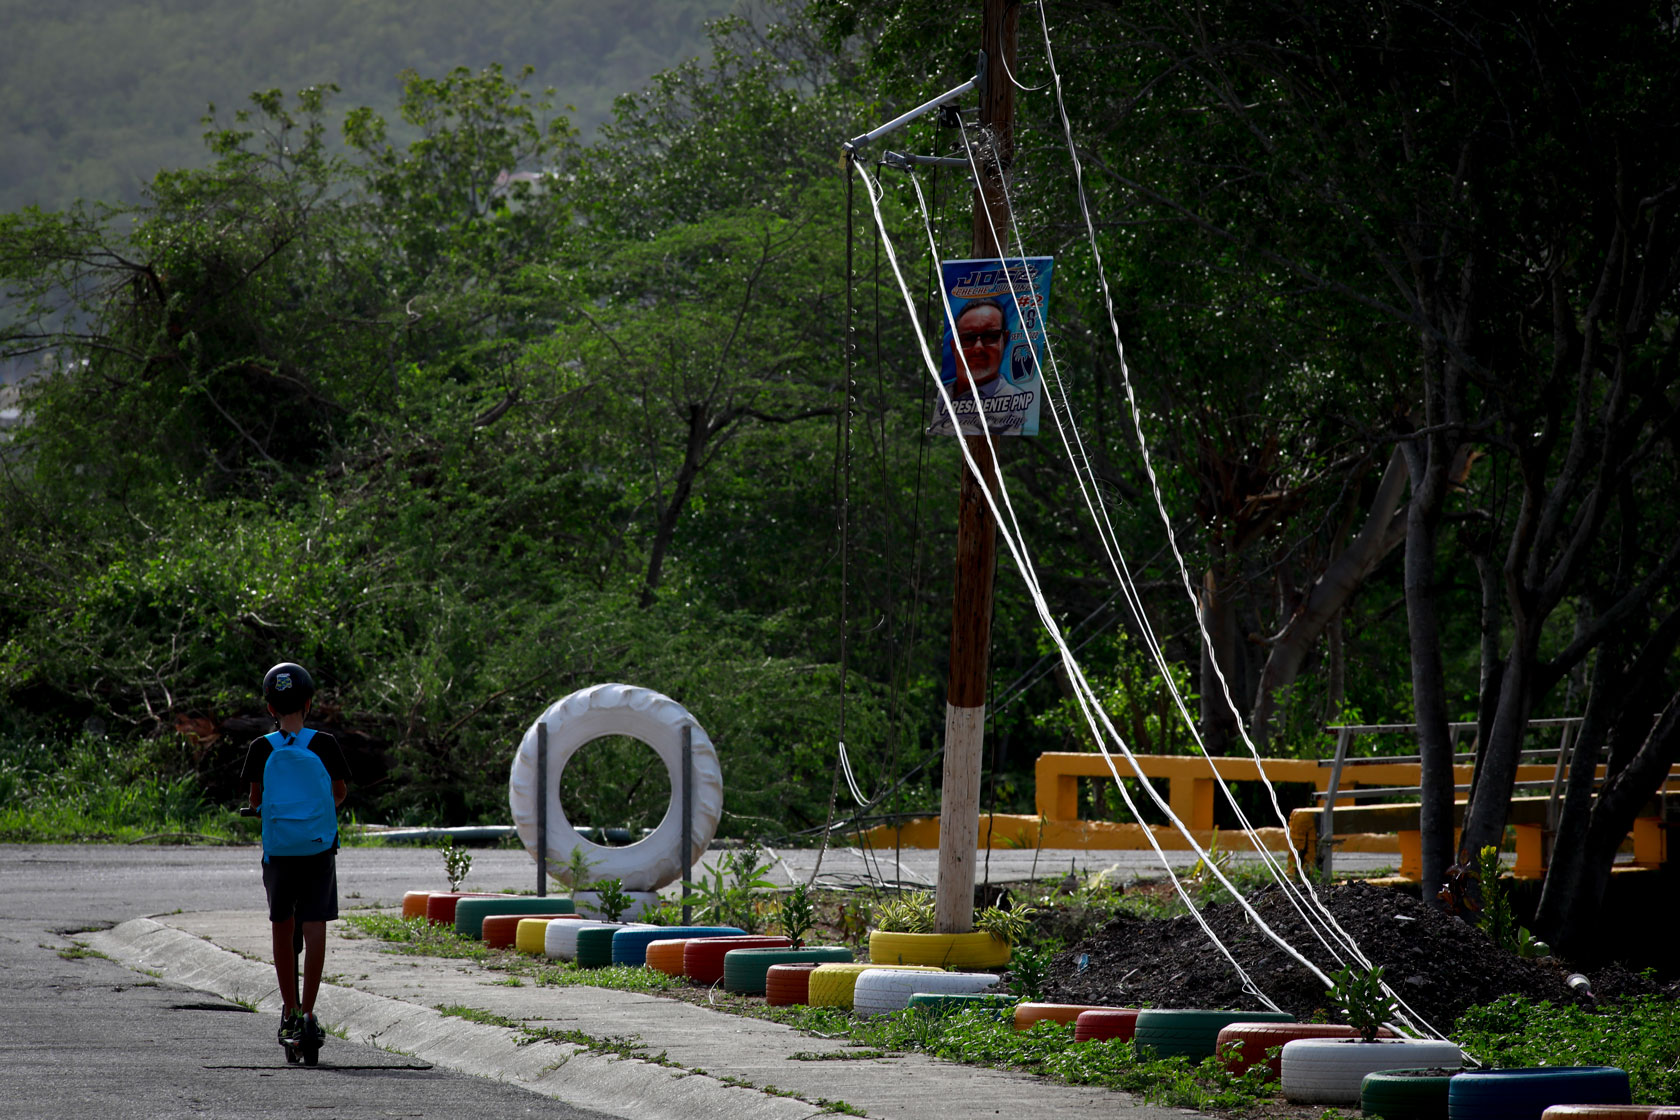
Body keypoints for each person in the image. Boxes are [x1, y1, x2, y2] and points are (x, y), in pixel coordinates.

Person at [241, 661, 350, 1053]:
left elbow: (256, 801)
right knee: (315, 922)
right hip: (319, 848)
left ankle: (287, 1009)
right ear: (308, 702)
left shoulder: (260, 748)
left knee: (282, 925)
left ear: (270, 707)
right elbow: (339, 793)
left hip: (280, 853)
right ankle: (308, 1012)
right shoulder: (325, 744)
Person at [946, 299, 1011, 398]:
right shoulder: (941, 398)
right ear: (954, 346)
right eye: (968, 338)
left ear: (1004, 340)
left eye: (990, 336)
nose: (978, 347)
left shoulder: (1020, 405)